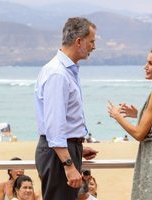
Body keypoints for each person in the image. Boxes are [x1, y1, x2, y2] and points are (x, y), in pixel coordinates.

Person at [35, 17, 98, 200]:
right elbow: (54, 125)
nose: (94, 47)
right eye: (92, 41)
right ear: (79, 41)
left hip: (66, 149)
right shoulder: (58, 73)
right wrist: (69, 164)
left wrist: (77, 147)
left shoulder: (67, 71)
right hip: (59, 155)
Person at [108, 46, 152, 200]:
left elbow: (139, 134)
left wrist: (117, 116)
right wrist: (138, 114)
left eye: (150, 63)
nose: (145, 66)